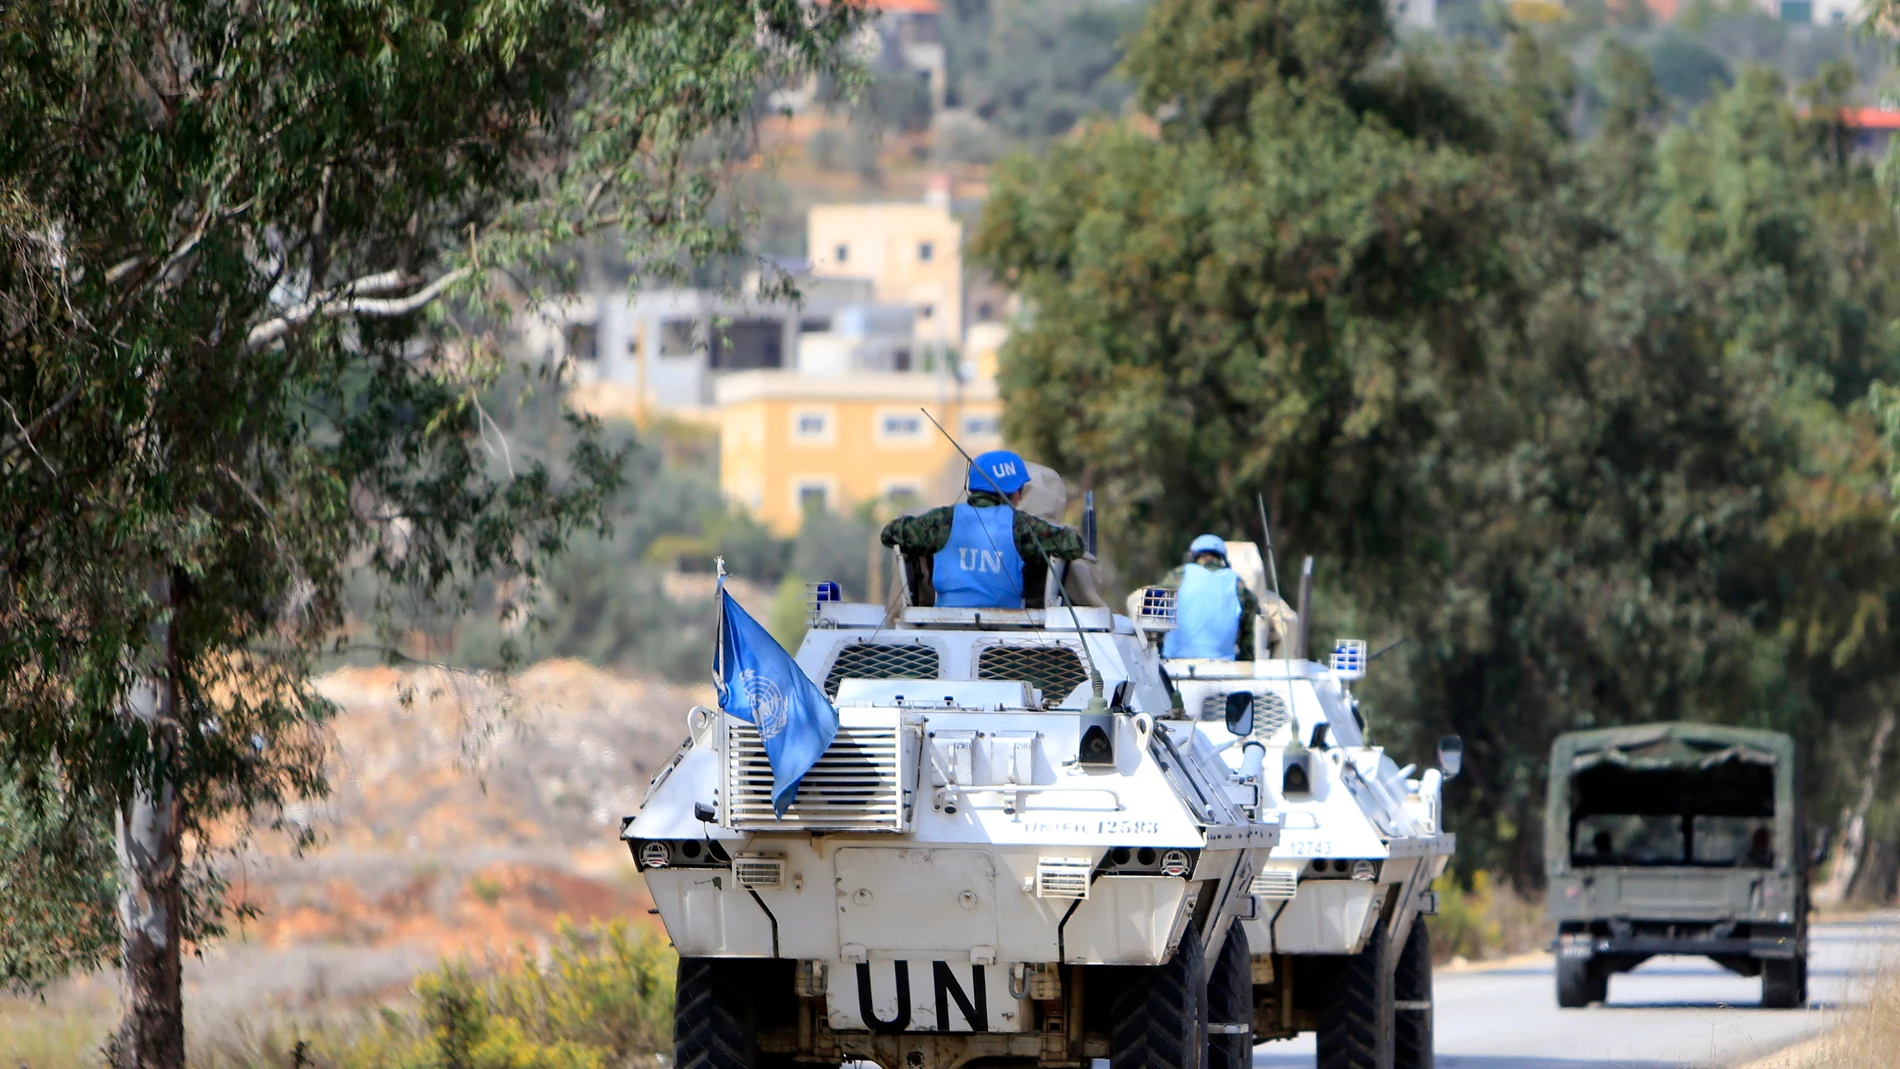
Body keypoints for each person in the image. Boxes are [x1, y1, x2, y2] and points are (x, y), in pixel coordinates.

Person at [880, 449, 1085, 609]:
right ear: (1010, 491)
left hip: (944, 623)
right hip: (1008, 628)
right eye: (1020, 490)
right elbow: (1074, 545)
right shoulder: (1021, 525)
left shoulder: (943, 520)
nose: (1021, 497)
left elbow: (889, 534)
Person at [1157, 534, 1260, 660]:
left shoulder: (1177, 576)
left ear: (1193, 555)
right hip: (1222, 666)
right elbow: (1247, 636)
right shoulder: (1237, 583)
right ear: (1221, 557)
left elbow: (1153, 612)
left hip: (1174, 664)